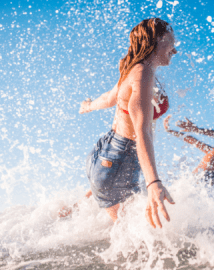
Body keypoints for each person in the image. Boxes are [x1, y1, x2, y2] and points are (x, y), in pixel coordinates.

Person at [75, 18, 176, 229]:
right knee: (136, 241)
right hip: (120, 160)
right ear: (156, 40)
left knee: (131, 235)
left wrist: (89, 105)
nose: (174, 49)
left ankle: (73, 207)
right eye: (170, 42)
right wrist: (153, 183)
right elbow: (142, 131)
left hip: (106, 155)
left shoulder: (133, 70)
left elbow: (110, 98)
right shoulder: (142, 72)